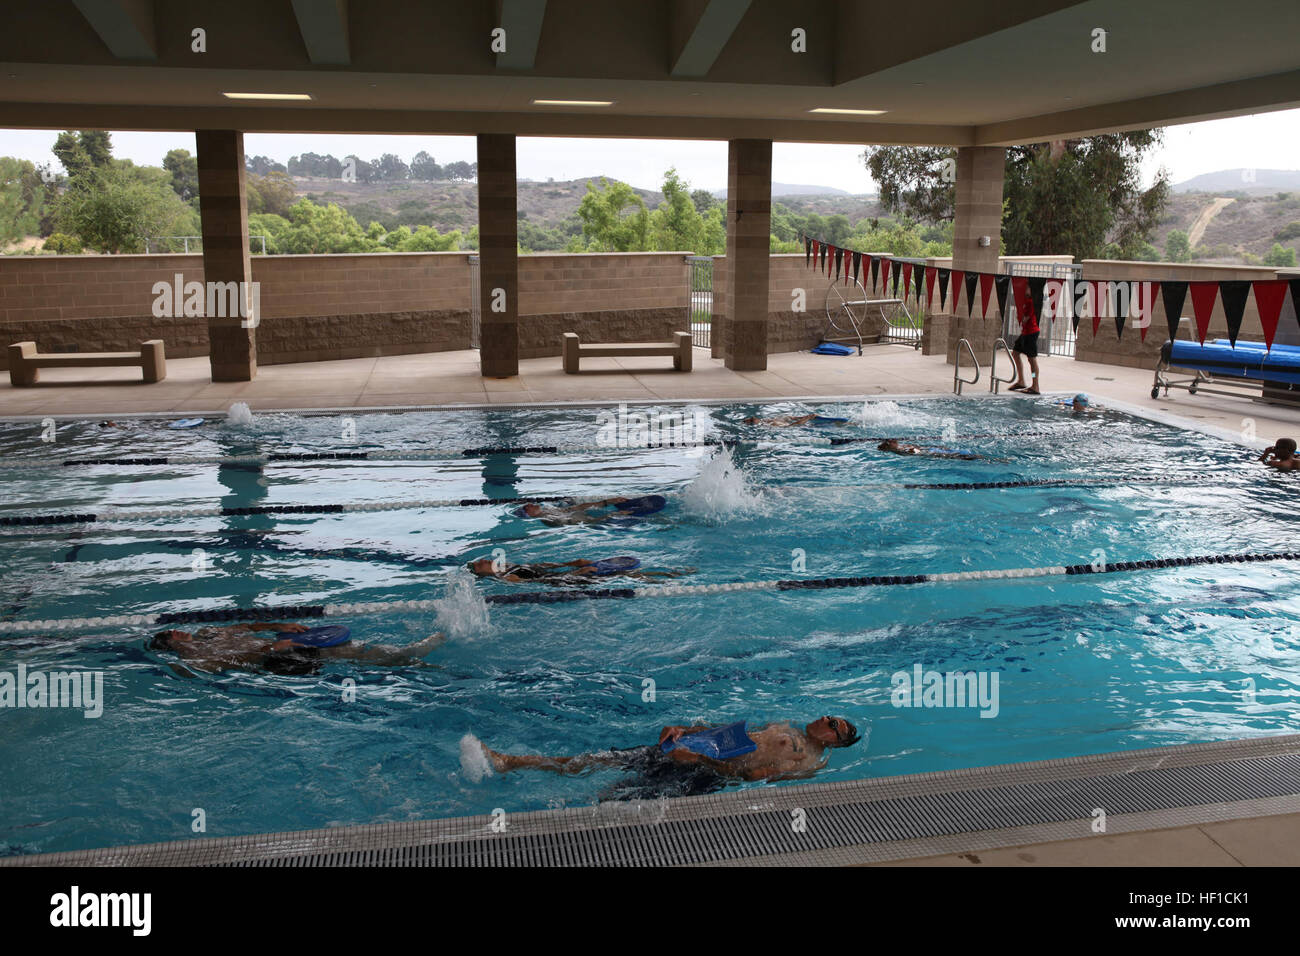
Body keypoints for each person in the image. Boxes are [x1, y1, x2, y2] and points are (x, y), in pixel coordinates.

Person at [464, 716, 862, 799]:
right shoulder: (788, 726)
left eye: (835, 725)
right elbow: (736, 735)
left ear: (837, 742)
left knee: (614, 798)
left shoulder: (809, 763)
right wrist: (688, 731)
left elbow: (752, 777)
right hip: (694, 752)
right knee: (596, 759)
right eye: (830, 716)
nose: (825, 720)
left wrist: (700, 762)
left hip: (704, 775)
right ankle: (509, 762)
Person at [149, 622, 445, 675]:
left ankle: (413, 663)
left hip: (286, 646)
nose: (177, 630)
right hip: (279, 660)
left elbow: (248, 628)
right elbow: (233, 663)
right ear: (171, 644)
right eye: (171, 633)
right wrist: (273, 649)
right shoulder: (197, 658)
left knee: (352, 653)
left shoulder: (208, 632)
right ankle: (409, 655)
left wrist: (282, 625)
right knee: (351, 652)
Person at [466, 557, 691, 583]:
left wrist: (573, 563)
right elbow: (540, 582)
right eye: (480, 563)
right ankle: (663, 580)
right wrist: (574, 574)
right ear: (482, 572)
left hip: (566, 573)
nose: (484, 560)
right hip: (565, 581)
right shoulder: (509, 577)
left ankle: (668, 575)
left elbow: (540, 567)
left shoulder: (507, 566)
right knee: (622, 576)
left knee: (622, 575)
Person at [1007, 304, 1042, 395]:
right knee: (1015, 353)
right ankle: (1021, 381)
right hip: (1025, 333)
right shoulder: (1025, 301)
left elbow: (1024, 319)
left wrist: (1019, 315)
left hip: (1031, 333)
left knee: (1031, 360)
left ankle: (1035, 385)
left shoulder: (1032, 302)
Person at [877, 438, 983, 460]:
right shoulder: (898, 450)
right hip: (928, 453)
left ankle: (979, 457)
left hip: (930, 450)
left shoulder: (900, 447)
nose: (894, 441)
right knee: (959, 456)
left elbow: (917, 448)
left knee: (959, 452)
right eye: (891, 442)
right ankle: (981, 458)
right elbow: (914, 451)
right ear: (888, 446)